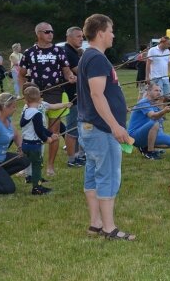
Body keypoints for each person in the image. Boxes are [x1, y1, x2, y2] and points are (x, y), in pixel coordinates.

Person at [77, 14, 135, 240]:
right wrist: (115, 126)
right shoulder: (97, 59)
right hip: (101, 129)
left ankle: (95, 223)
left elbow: (101, 94)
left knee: (92, 175)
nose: (113, 35)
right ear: (100, 32)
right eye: (110, 30)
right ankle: (109, 228)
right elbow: (96, 94)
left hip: (91, 127)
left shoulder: (88, 57)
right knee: (108, 175)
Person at [18, 22, 76, 177]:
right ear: (38, 34)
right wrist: (25, 92)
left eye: (52, 31)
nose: (51, 34)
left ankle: (50, 166)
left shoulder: (59, 51)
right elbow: (21, 74)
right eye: (47, 32)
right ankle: (27, 165)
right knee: (30, 130)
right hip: (35, 93)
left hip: (55, 92)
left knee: (54, 131)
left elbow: (66, 71)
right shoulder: (29, 52)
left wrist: (70, 77)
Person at [20, 86, 61, 195]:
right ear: (39, 99)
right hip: (34, 145)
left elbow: (24, 124)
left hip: (25, 143)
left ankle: (30, 178)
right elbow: (39, 130)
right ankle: (37, 188)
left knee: (31, 164)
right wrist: (46, 138)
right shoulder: (37, 113)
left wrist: (51, 134)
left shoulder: (26, 111)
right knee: (37, 165)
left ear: (25, 100)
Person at [127, 82, 170, 159]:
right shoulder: (144, 102)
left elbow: (160, 122)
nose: (159, 93)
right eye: (156, 90)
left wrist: (161, 105)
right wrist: (164, 111)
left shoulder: (155, 104)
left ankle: (145, 146)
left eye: (160, 91)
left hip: (146, 132)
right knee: (154, 123)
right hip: (134, 136)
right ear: (148, 92)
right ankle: (150, 152)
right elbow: (153, 116)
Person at [63, 26, 85, 168]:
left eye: (82, 36)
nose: (81, 39)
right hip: (71, 96)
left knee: (78, 126)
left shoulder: (73, 52)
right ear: (69, 37)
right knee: (72, 127)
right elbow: (80, 72)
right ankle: (72, 159)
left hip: (77, 95)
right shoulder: (68, 52)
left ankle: (78, 155)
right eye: (78, 36)